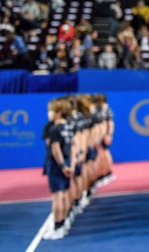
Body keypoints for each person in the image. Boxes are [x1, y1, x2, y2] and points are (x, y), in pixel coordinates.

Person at [43, 98, 74, 240]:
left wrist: (62, 166)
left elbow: (55, 150)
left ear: (59, 112)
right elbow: (73, 147)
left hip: (57, 165)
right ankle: (65, 222)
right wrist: (71, 166)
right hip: (68, 162)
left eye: (51, 110)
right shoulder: (68, 127)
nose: (49, 113)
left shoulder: (54, 129)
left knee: (57, 196)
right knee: (65, 193)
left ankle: (57, 227)